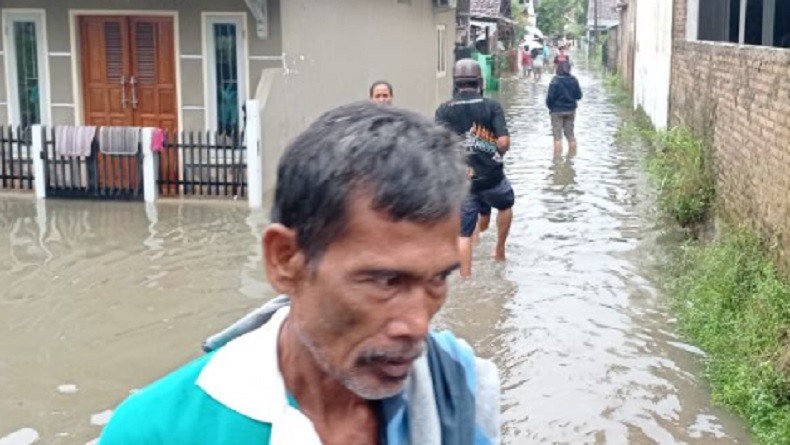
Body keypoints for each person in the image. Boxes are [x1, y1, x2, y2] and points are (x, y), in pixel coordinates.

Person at [98, 103, 501, 444]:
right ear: (285, 260)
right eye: (384, 281)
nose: (417, 325)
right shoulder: (160, 431)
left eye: (437, 280)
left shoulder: (461, 390)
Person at [436, 59, 514, 278]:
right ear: (479, 81)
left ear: (456, 83)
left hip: (463, 181)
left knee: (463, 234)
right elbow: (504, 142)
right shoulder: (492, 106)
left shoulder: (444, 110)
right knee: (506, 205)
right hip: (492, 177)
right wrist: (497, 152)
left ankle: (466, 279)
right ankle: (499, 250)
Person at [546, 61, 583, 158]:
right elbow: (579, 96)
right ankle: (572, 158)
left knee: (557, 136)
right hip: (571, 110)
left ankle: (557, 161)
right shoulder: (574, 80)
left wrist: (551, 108)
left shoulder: (555, 81)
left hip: (556, 111)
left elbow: (550, 98)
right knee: (570, 134)